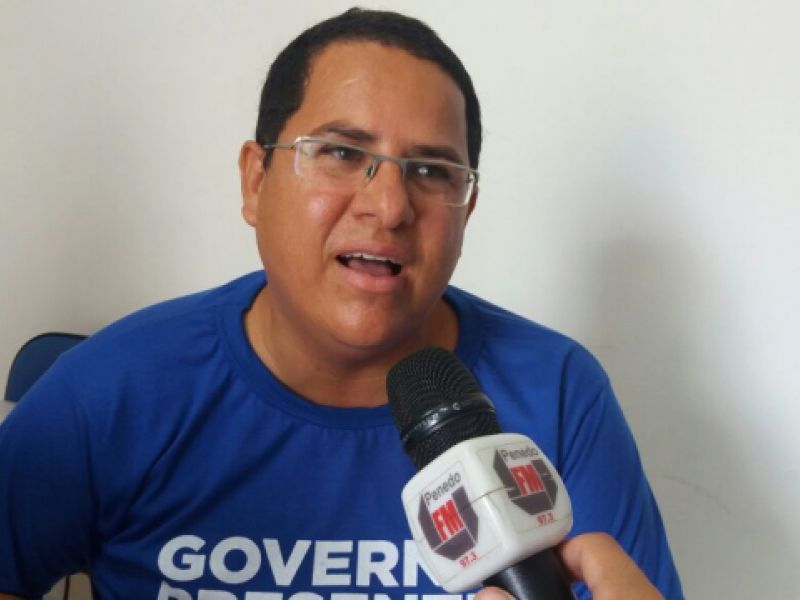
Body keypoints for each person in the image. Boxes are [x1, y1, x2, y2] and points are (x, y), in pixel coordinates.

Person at [0, 8, 683, 600]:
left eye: (431, 170)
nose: (389, 207)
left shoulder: (557, 393)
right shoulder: (117, 384)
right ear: (256, 179)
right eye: (340, 152)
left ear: (467, 209)